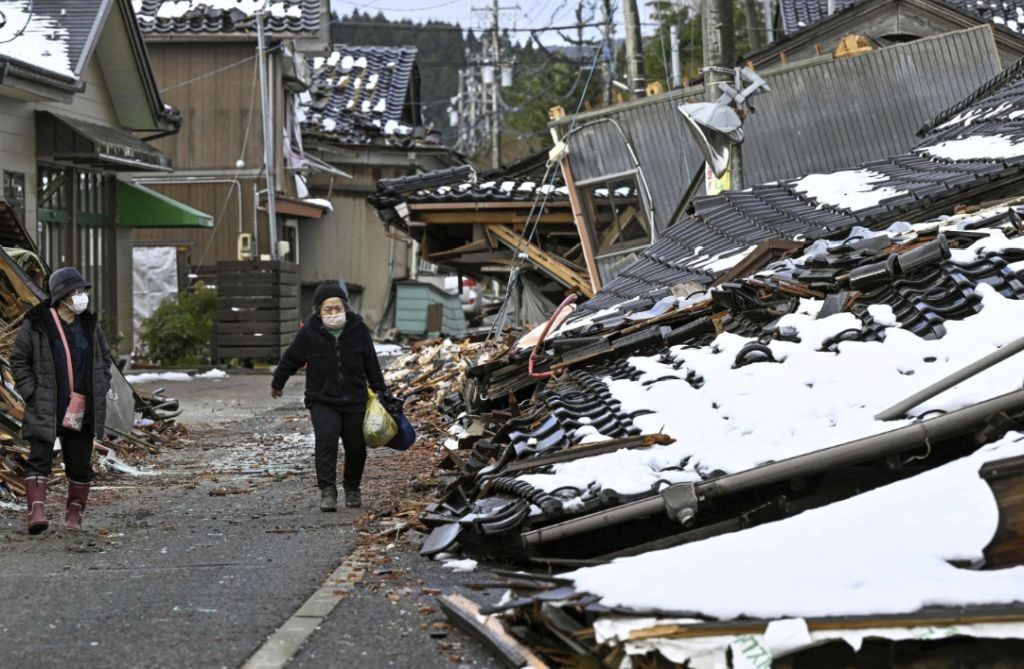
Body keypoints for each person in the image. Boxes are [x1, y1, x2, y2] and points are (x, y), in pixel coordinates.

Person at [10, 267, 112, 533]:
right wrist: (31, 391)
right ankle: (36, 513)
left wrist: (100, 386)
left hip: (82, 406)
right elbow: (19, 360)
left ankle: (74, 516)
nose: (81, 297)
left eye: (82, 292)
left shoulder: (88, 325)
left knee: (80, 463)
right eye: (76, 292)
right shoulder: (38, 323)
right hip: (46, 403)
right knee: (39, 458)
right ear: (62, 296)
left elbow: (104, 358)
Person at [271, 281, 387, 511]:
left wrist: (381, 390)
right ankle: (327, 491)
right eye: (328, 309)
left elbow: (371, 363)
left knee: (356, 447)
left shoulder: (358, 329)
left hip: (355, 399)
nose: (334, 313)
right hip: (322, 399)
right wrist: (278, 382)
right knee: (326, 440)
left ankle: (352, 488)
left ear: (345, 308)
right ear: (318, 311)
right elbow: (291, 358)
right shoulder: (309, 332)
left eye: (337, 308)